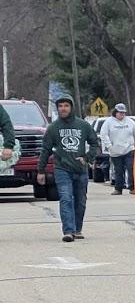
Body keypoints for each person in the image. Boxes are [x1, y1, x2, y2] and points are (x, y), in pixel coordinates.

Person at [36, 96, 100, 242]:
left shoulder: (83, 125)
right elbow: (45, 150)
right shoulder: (53, 128)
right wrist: (41, 170)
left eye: (66, 105)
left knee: (80, 200)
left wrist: (87, 158)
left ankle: (77, 229)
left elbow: (95, 143)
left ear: (71, 107)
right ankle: (68, 231)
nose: (63, 108)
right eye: (60, 106)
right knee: (65, 198)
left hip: (80, 169)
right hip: (62, 169)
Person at [100, 103, 135, 195]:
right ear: (115, 112)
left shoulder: (130, 122)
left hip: (129, 149)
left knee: (131, 168)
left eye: (123, 113)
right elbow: (104, 135)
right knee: (119, 171)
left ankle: (132, 187)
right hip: (115, 151)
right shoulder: (108, 122)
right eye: (120, 113)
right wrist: (109, 146)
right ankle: (118, 189)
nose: (122, 115)